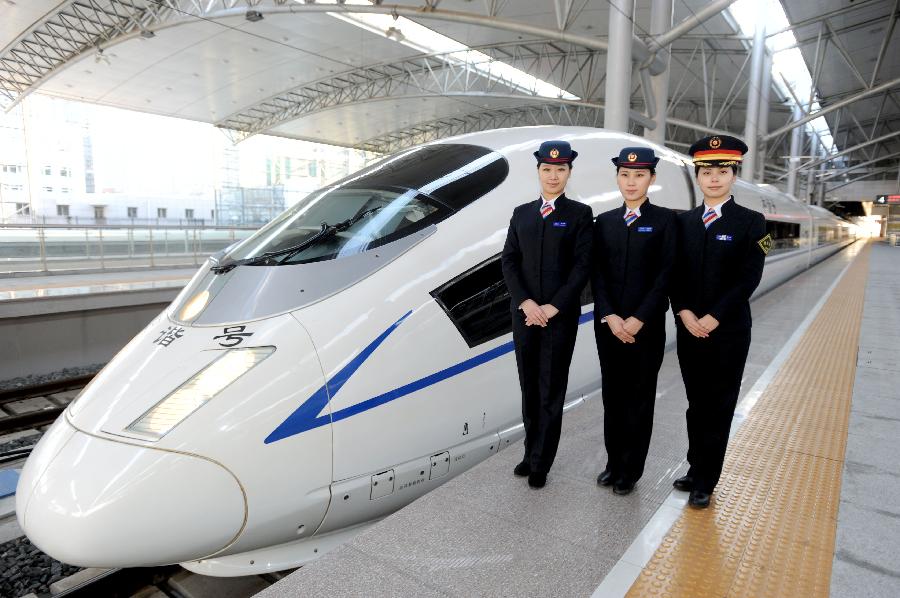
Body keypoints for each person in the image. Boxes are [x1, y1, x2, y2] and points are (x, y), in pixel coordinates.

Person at [670, 135, 770, 508]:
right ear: (698, 176)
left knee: (719, 404)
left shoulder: (752, 222)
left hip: (727, 331)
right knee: (696, 403)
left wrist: (712, 317)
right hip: (688, 328)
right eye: (707, 171)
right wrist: (683, 311)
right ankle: (695, 468)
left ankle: (706, 481)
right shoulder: (685, 223)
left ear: (734, 175)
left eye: (722, 171)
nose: (714, 178)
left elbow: (749, 278)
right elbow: (674, 274)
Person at [501, 140, 593, 488]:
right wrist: (525, 302)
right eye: (547, 169)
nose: (553, 175)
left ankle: (542, 462)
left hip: (559, 317)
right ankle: (529, 452)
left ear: (569, 172)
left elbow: (582, 266)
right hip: (524, 316)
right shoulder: (521, 213)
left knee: (551, 388)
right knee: (529, 388)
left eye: (560, 169)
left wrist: (554, 306)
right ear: (538, 171)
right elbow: (509, 260)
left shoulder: (579, 215)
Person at [592, 147, 676, 496]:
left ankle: (631, 469)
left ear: (651, 179)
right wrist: (611, 316)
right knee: (613, 396)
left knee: (639, 398)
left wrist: (639, 318)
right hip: (610, 326)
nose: (631, 182)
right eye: (625, 175)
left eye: (639, 175)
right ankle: (613, 463)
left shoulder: (665, 221)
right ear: (617, 178)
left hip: (647, 327)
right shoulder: (605, 222)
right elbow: (597, 274)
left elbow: (667, 274)